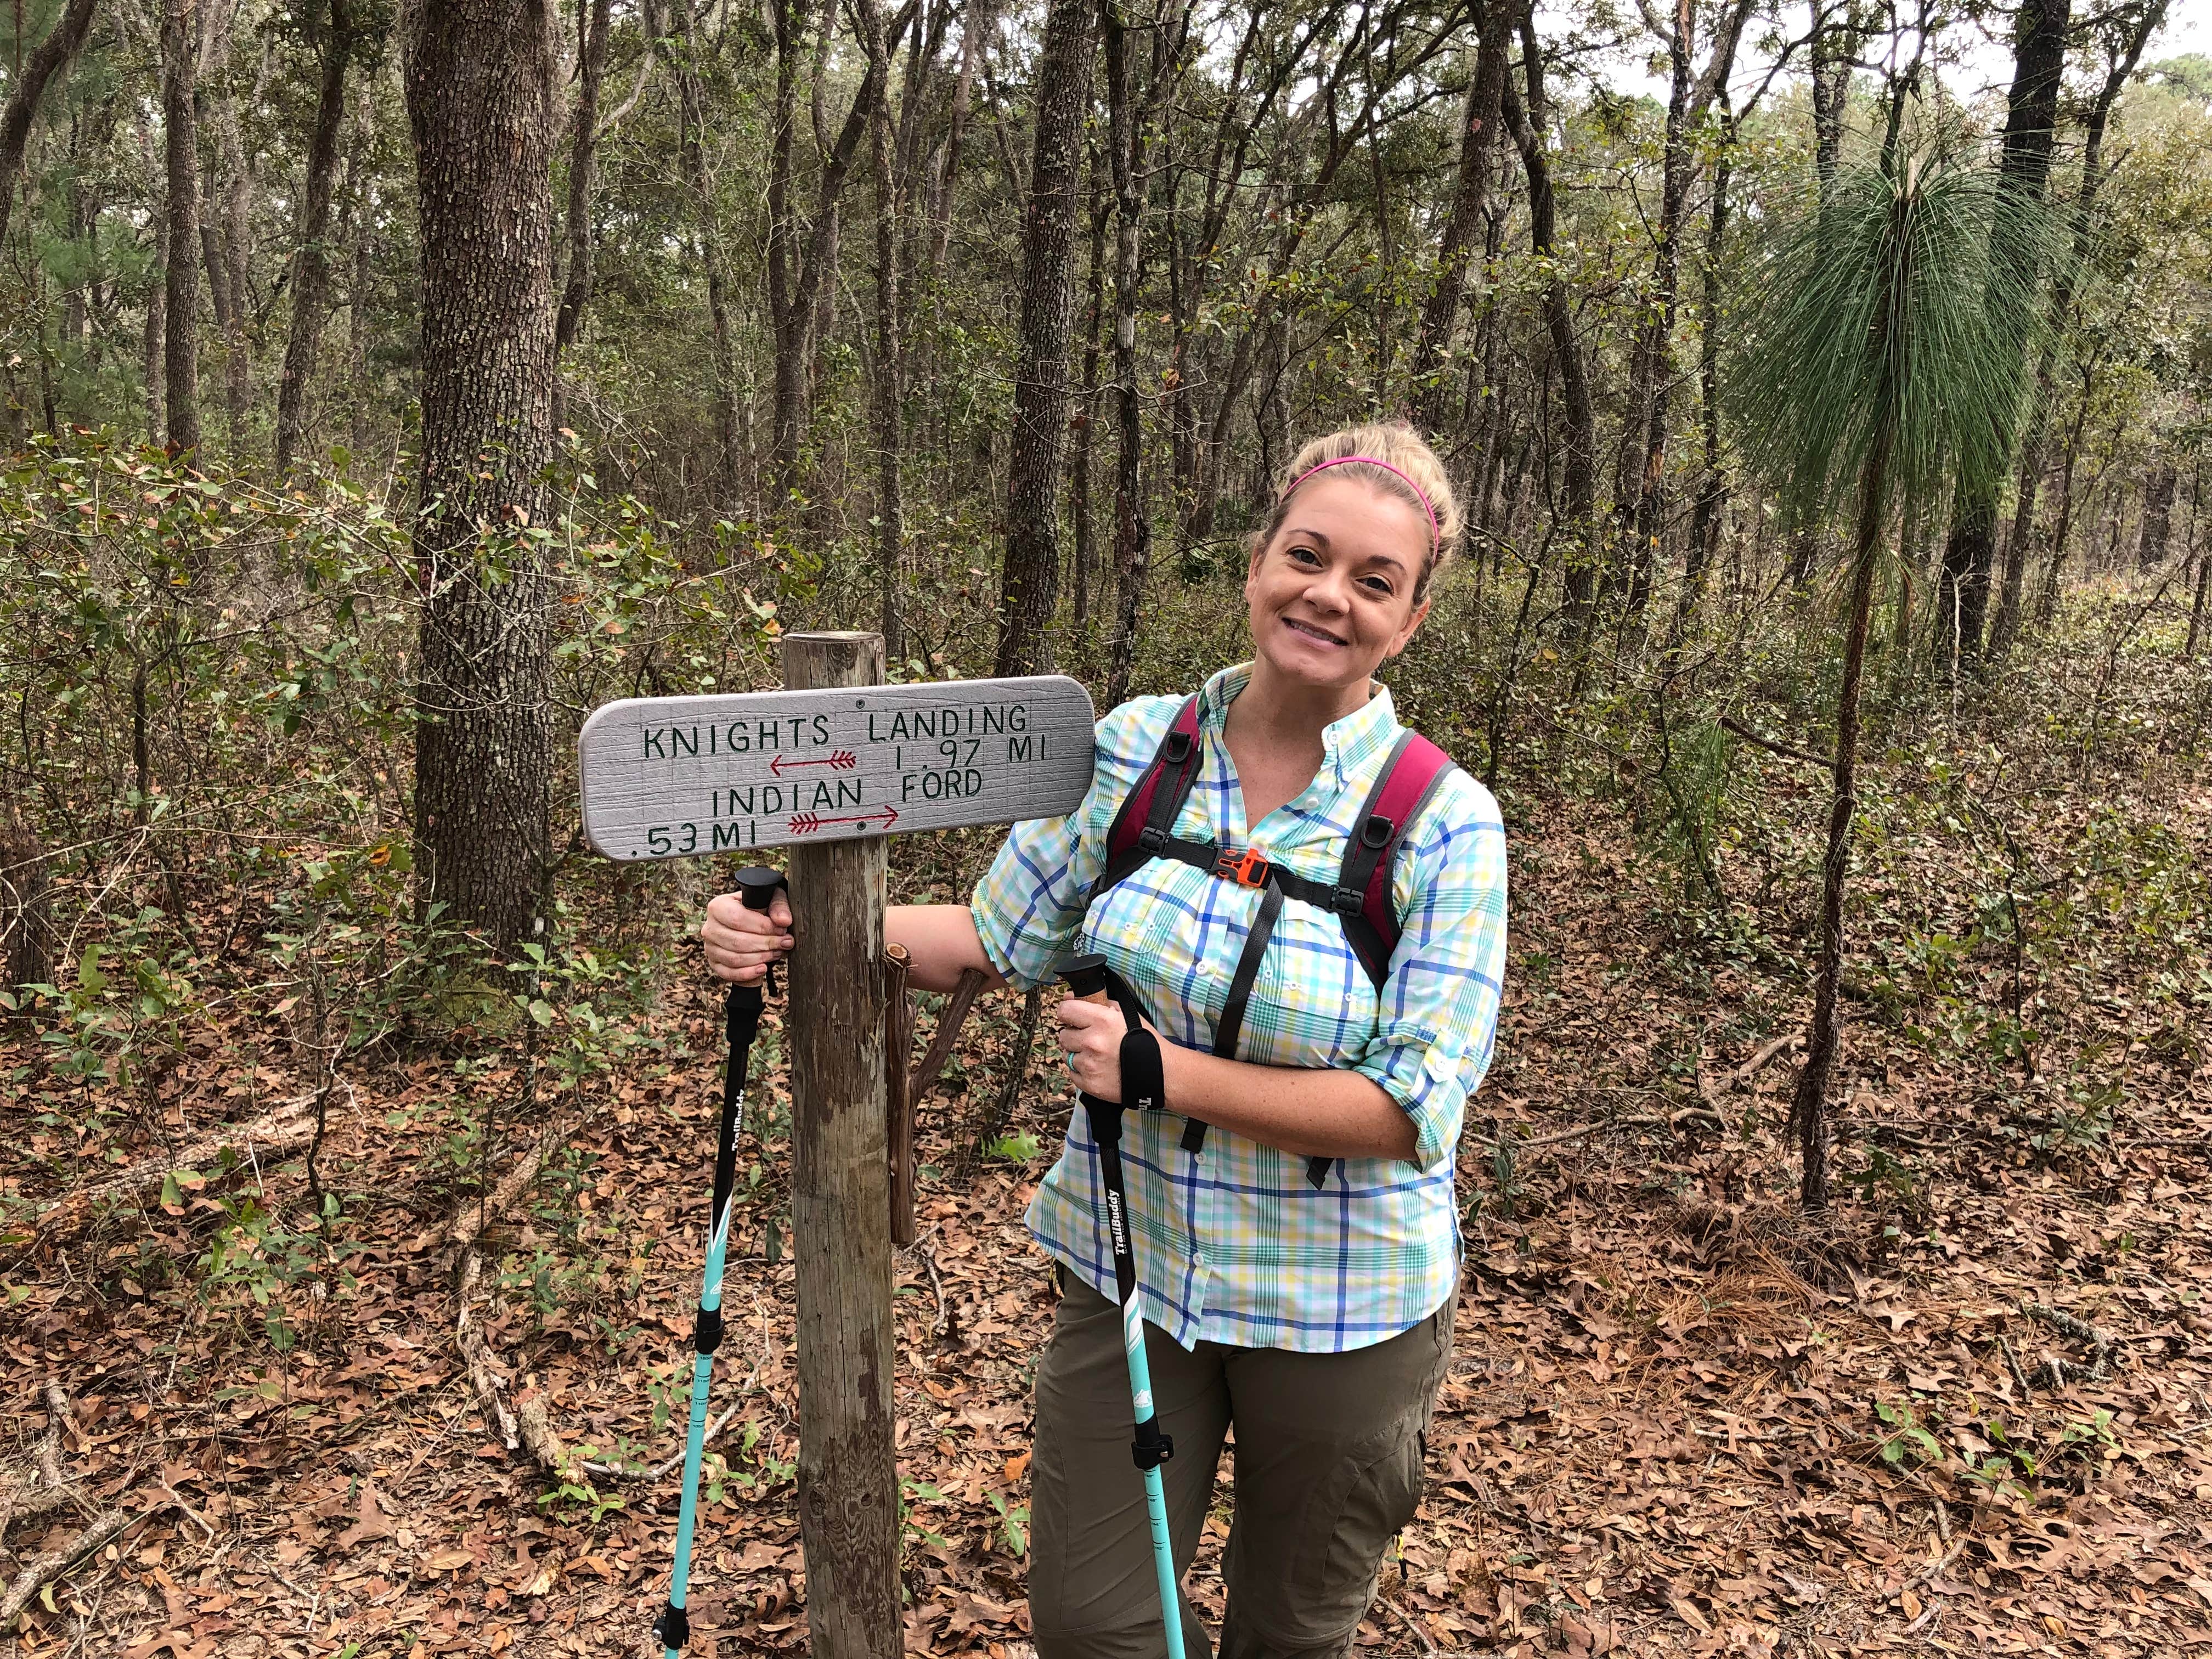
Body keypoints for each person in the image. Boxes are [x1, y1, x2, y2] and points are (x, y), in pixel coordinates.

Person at [702, 421, 1508, 1659]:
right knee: (1094, 1626)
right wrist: (804, 923)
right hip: (1140, 1276)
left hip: (1346, 1311)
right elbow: (995, 935)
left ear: (1410, 617)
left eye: (1373, 581)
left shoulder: (1447, 824)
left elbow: (1411, 1111)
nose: (1327, 596)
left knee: (1291, 1638)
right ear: (1257, 563)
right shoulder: (1141, 749)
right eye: (1308, 554)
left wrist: (1165, 1074)